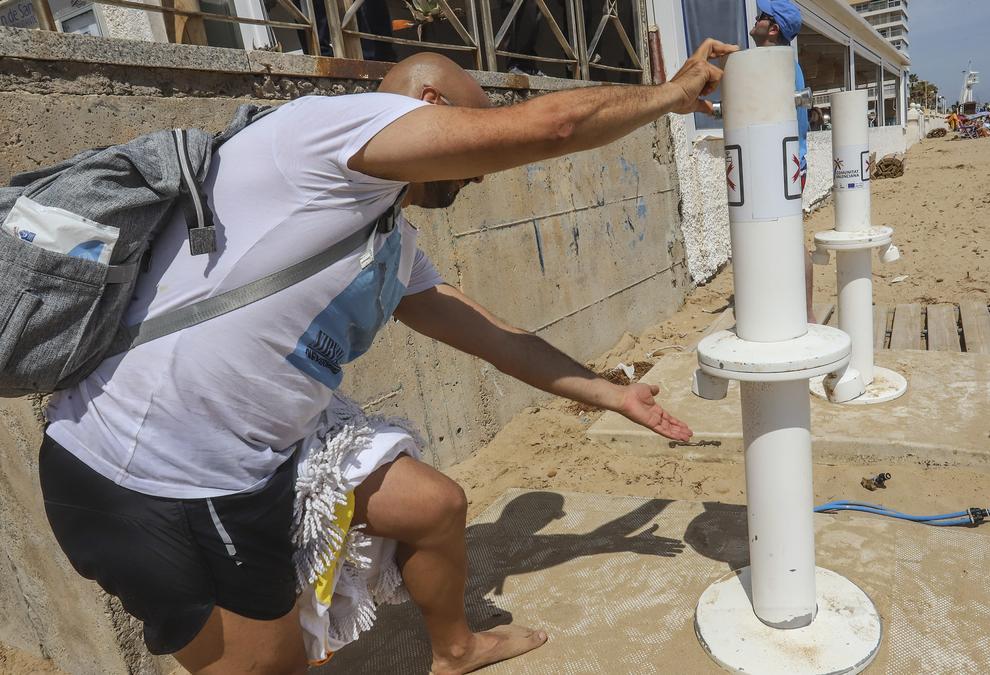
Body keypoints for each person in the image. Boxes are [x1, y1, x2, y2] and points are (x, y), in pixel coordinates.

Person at [37, 41, 736, 674]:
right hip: (150, 476)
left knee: (433, 506)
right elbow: (549, 128)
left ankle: (456, 647)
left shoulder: (387, 242)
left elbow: (495, 336)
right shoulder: (320, 132)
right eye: (473, 134)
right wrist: (670, 96)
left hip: (259, 461)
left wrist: (609, 393)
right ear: (429, 107)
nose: (479, 173)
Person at [749, 0, 815, 321]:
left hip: (784, 164)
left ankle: (806, 312)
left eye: (760, 16)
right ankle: (797, 310)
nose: (755, 18)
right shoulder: (785, 62)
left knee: (787, 238)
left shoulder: (776, 63)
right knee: (783, 237)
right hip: (784, 162)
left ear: (772, 28)